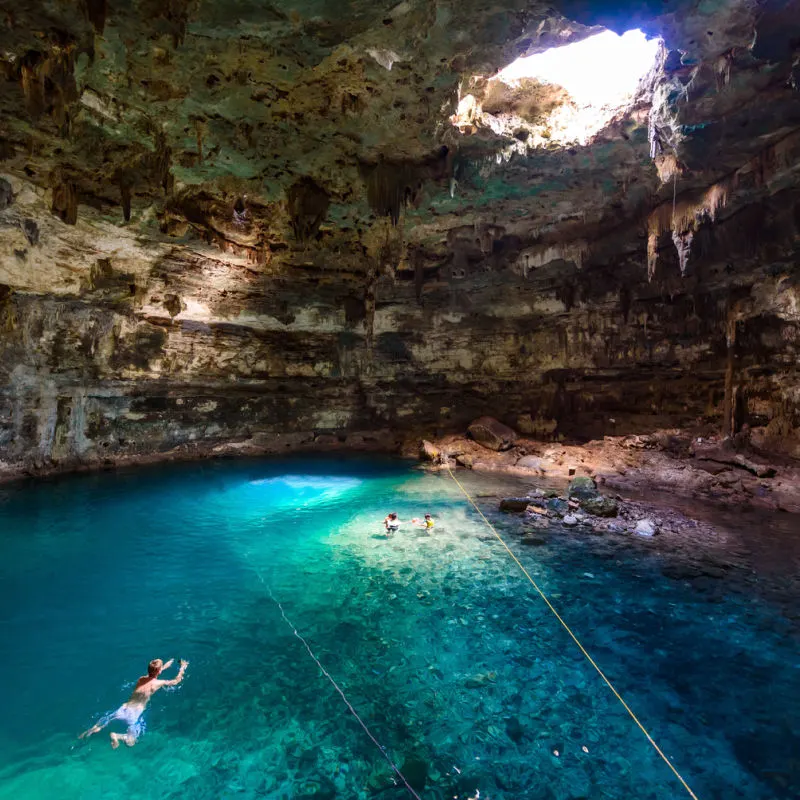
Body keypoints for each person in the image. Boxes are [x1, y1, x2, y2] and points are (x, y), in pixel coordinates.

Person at [79, 658, 188, 749]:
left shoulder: (141, 679)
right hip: (134, 714)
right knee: (131, 742)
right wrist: (183, 667)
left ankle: (87, 733)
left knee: (101, 724)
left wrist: (163, 667)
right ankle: (116, 736)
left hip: (123, 709)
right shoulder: (159, 683)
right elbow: (176, 681)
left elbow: (151, 675)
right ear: (159, 671)